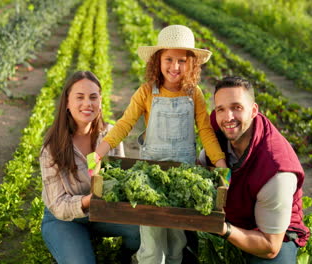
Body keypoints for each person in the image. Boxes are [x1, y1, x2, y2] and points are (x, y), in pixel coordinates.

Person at [93, 25, 227, 264]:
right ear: (158, 60)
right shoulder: (147, 92)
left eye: (182, 61)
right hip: (150, 177)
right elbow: (124, 123)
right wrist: (101, 151)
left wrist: (220, 163)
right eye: (168, 59)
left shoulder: (193, 94)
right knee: (152, 232)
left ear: (192, 64)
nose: (175, 67)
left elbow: (205, 130)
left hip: (182, 175)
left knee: (177, 235)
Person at [198, 76, 310, 263]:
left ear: (253, 110)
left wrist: (223, 228)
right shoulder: (215, 135)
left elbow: (270, 247)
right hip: (232, 215)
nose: (228, 117)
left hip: (269, 233)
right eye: (221, 109)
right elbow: (200, 166)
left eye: (237, 107)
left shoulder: (276, 170)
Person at [40, 71, 140, 264]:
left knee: (144, 229)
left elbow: (120, 178)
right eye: (80, 97)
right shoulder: (52, 147)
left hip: (103, 212)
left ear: (100, 101)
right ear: (67, 103)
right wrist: (89, 200)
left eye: (93, 97)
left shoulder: (109, 135)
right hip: (64, 219)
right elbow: (58, 205)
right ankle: (72, 244)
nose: (88, 104)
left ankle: (124, 256)